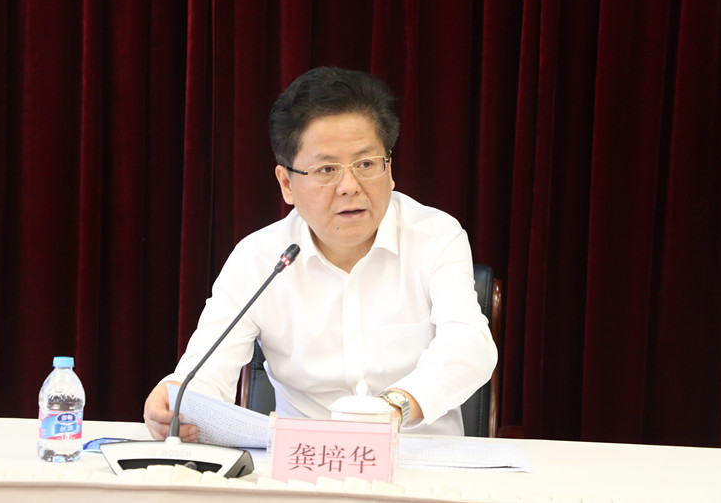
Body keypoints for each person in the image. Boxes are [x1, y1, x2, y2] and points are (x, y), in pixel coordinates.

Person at [144, 66, 498, 441]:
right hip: (304, 462)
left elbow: (469, 345)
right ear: (287, 183)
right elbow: (206, 373)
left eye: (366, 164)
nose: (349, 186)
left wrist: (394, 408)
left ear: (390, 168)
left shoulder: (435, 236)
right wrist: (177, 400)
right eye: (327, 169)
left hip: (424, 462)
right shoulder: (259, 259)